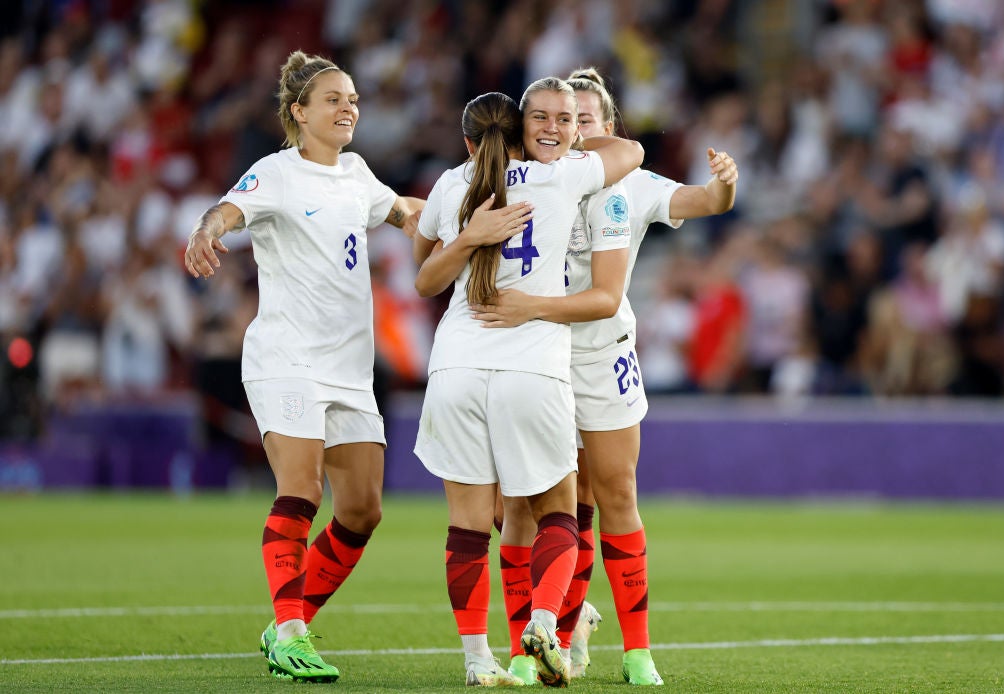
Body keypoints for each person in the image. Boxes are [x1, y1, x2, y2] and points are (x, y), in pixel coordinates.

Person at [472, 68, 738, 686]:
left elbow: (703, 202)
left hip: (600, 355)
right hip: (535, 352)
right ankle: (539, 638)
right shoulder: (530, 178)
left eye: (586, 119)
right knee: (523, 506)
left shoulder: (631, 186)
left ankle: (637, 650)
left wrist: (725, 186)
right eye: (567, 119)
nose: (576, 130)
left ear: (608, 129)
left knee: (614, 494)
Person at [183, 50, 425, 683]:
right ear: (299, 112)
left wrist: (462, 213)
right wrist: (207, 230)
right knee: (302, 489)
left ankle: (284, 623)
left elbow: (404, 211)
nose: (348, 108)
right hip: (286, 357)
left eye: (352, 99)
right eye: (333, 100)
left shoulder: (357, 174)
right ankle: (292, 629)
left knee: (363, 509)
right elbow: (226, 211)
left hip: (349, 365)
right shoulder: (276, 172)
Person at [412, 81, 644, 687]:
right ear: (520, 131)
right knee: (559, 513)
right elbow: (634, 152)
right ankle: (545, 619)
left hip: (456, 362)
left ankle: (476, 662)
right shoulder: (562, 177)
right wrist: (575, 139)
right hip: (531, 365)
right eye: (542, 119)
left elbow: (424, 278)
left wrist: (467, 237)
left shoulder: (453, 184)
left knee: (466, 524)